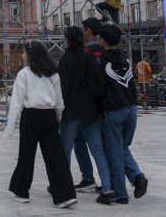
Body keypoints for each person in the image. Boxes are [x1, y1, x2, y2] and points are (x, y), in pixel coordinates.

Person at [5, 41, 77, 208]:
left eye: (24, 53)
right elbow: (59, 100)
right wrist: (58, 115)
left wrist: (9, 128)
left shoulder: (24, 74)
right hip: (49, 116)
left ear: (30, 55)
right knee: (56, 157)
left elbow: (16, 102)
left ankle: (21, 192)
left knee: (26, 154)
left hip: (31, 116)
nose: (22, 56)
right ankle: (65, 195)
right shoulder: (53, 74)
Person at [58, 27, 113, 205]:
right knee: (97, 150)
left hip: (72, 112)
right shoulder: (90, 57)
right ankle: (107, 188)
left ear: (67, 40)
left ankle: (62, 186)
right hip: (92, 112)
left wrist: (59, 111)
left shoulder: (65, 59)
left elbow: (63, 89)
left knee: (64, 149)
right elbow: (99, 85)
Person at [99, 25, 148, 204]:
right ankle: (136, 177)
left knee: (115, 153)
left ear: (102, 40)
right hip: (131, 109)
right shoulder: (125, 59)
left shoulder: (102, 61)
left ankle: (120, 194)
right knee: (123, 147)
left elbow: (98, 88)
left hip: (114, 110)